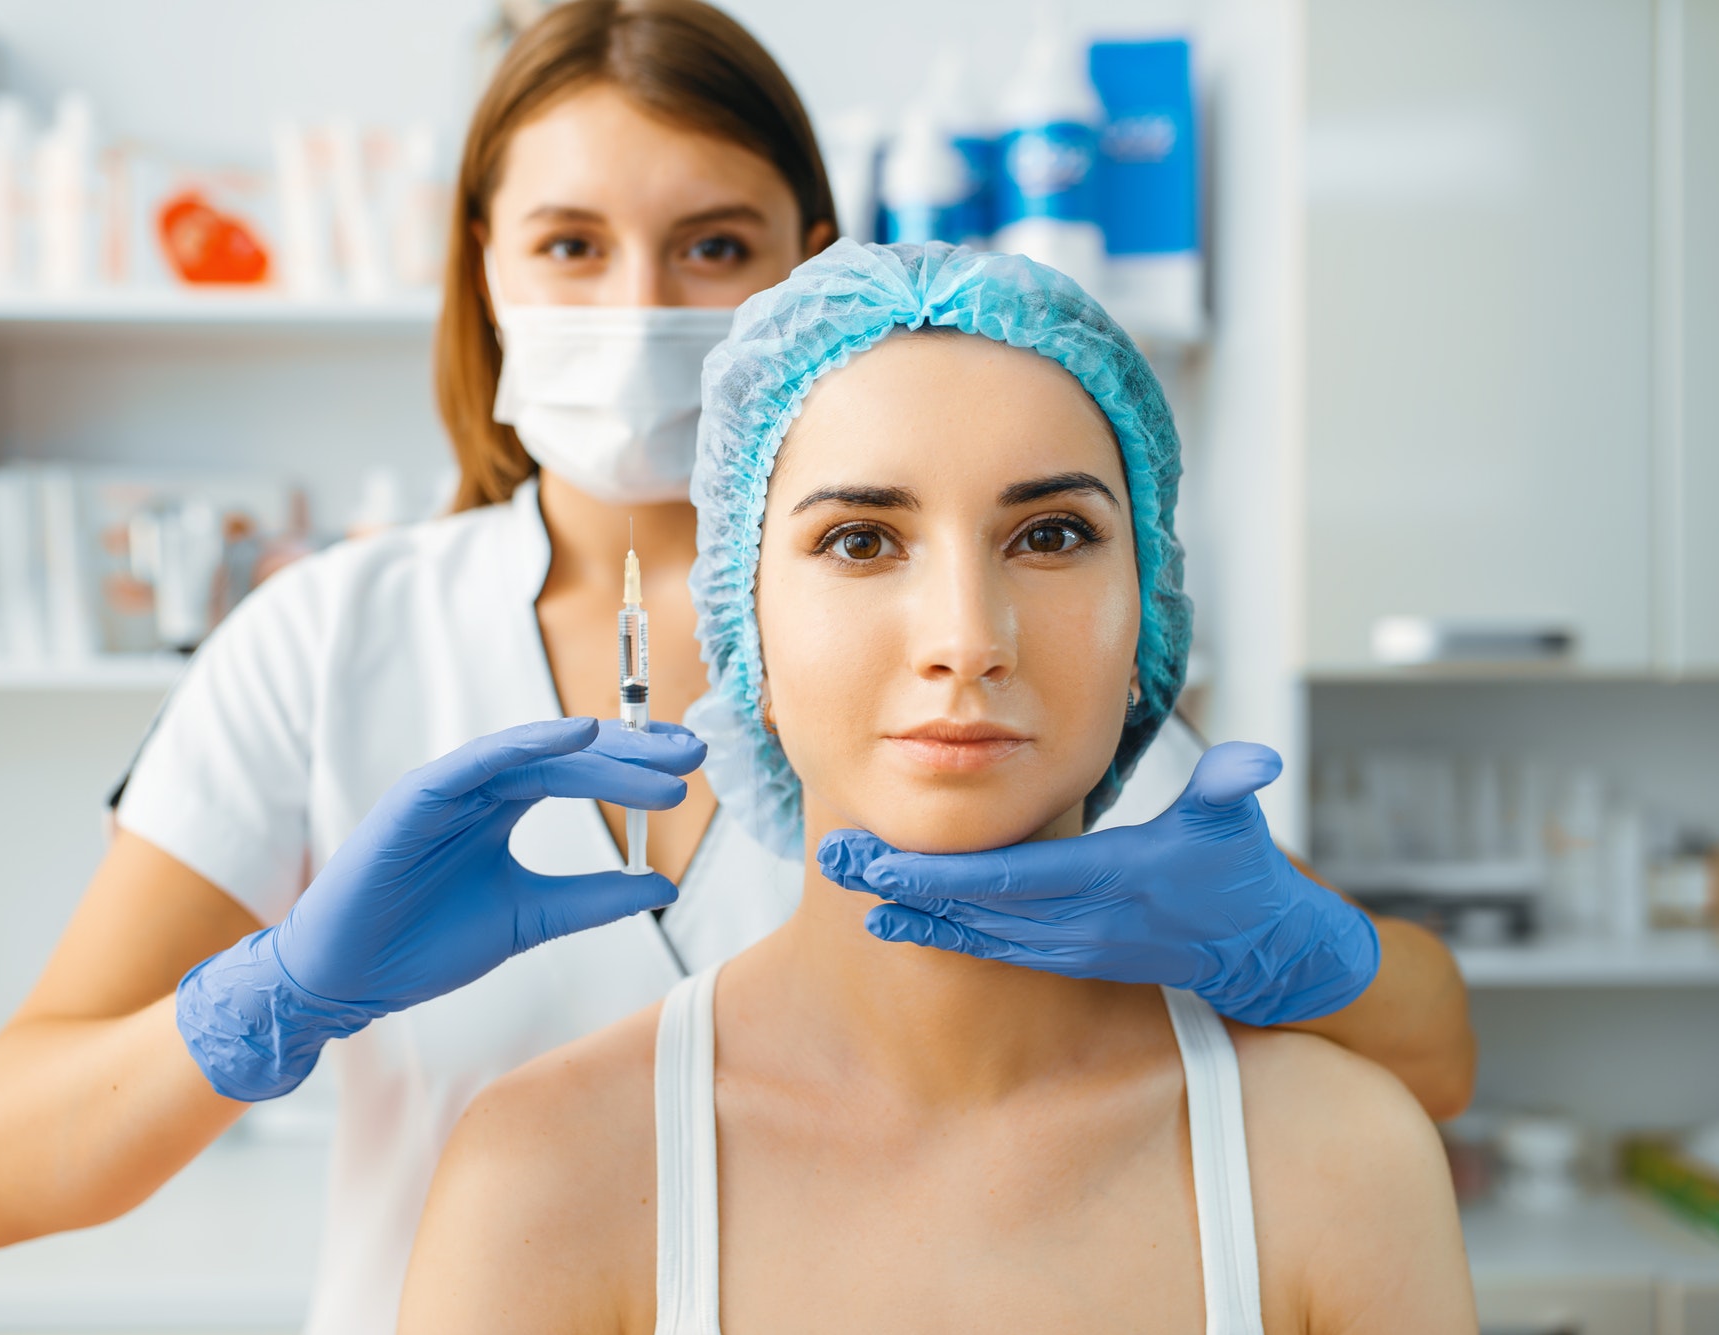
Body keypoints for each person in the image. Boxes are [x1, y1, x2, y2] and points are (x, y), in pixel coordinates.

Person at [0, 4, 1472, 1332]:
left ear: (811, 264)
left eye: (714, 246)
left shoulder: (1010, 673)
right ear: (481, 267)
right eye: (569, 244)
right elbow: (4, 1171)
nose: (636, 310)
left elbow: (1407, 1059)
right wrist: (283, 992)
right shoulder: (327, 640)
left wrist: (1282, 947)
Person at [400, 242, 1478, 1333]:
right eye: (860, 540)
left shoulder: (1339, 1165)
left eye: (1050, 535)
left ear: (1144, 608)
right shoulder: (545, 1181)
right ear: (745, 627)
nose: (967, 639)